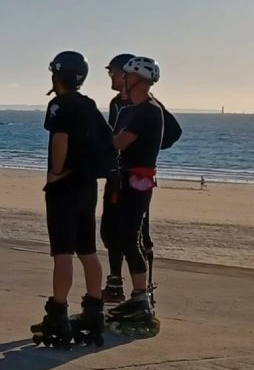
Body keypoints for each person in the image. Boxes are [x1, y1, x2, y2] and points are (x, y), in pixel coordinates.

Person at [30, 52, 107, 348]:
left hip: (65, 187)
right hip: (87, 185)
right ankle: (93, 310)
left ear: (56, 75)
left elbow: (59, 139)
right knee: (88, 250)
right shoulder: (88, 105)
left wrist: (55, 172)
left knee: (62, 252)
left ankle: (58, 315)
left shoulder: (59, 104)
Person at [103, 56, 164, 337]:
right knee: (116, 234)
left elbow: (118, 142)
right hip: (124, 178)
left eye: (124, 76)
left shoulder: (148, 111)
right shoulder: (131, 110)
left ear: (136, 79)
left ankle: (141, 297)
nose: (120, 81)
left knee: (130, 237)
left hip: (137, 181)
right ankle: (132, 294)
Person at [99, 53, 134, 303]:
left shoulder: (143, 104)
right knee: (109, 230)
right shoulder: (115, 103)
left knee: (135, 233)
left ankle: (142, 291)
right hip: (115, 174)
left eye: (113, 72)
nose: (110, 76)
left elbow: (168, 132)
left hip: (134, 176)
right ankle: (114, 282)